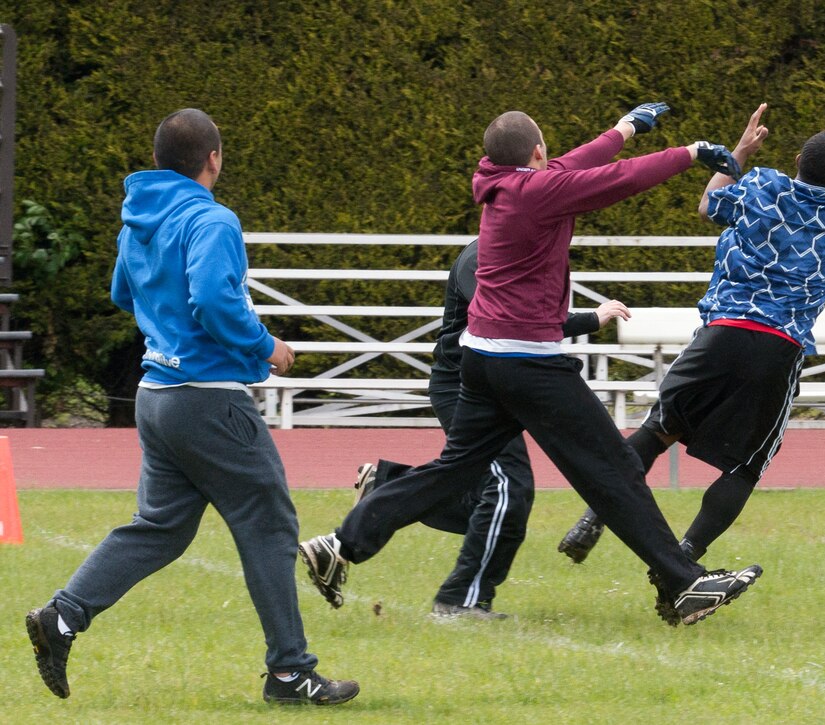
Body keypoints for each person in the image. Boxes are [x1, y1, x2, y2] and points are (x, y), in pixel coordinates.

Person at [299, 103, 763, 627]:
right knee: (615, 468)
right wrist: (691, 153)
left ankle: (338, 544)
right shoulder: (537, 193)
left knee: (456, 470)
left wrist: (626, 128)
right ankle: (682, 584)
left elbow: (578, 163)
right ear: (535, 153)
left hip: (481, 359)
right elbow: (615, 180)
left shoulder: (510, 184)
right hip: (528, 364)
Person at [557, 102, 825, 622]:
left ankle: (594, 513)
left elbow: (708, 206)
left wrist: (739, 152)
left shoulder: (763, 184)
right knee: (746, 466)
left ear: (796, 160)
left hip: (718, 334)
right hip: (778, 347)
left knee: (657, 432)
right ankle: (681, 566)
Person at [25, 109, 358, 706]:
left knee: (160, 527)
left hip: (156, 396)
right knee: (270, 525)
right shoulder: (213, 219)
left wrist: (169, 332)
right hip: (208, 399)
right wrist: (267, 347)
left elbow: (122, 292)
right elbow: (209, 298)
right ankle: (290, 673)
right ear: (213, 158)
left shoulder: (137, 219)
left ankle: (63, 616)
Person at [355, 239, 631, 619]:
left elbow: (528, 322)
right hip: (462, 387)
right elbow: (510, 320)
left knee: (502, 499)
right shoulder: (479, 258)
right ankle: (459, 600)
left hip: (495, 384)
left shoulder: (520, 253)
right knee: (507, 491)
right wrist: (589, 320)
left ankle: (388, 487)